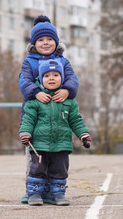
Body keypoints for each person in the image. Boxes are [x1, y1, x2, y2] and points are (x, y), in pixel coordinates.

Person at [19, 15, 79, 204]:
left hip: (57, 115)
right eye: (41, 40)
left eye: (50, 39)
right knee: (36, 156)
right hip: (35, 114)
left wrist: (67, 90)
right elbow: (24, 81)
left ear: (56, 41)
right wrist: (36, 93)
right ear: (34, 43)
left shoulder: (63, 61)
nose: (46, 43)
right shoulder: (29, 61)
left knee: (55, 156)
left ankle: (52, 191)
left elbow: (72, 79)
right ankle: (33, 191)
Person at [19, 60, 92, 206]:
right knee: (37, 170)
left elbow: (76, 120)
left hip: (62, 144)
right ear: (40, 79)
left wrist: (84, 134)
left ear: (62, 78)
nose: (51, 78)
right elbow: (28, 118)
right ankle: (34, 194)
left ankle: (58, 194)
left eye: (56, 75)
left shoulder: (69, 102)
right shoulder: (34, 101)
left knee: (60, 170)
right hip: (39, 144)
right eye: (46, 75)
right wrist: (25, 132)